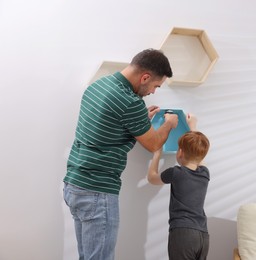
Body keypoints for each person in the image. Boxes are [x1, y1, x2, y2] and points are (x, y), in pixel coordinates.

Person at [63, 48, 179, 260]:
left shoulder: (99, 85)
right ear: (145, 77)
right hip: (97, 191)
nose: (153, 92)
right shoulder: (130, 102)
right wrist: (169, 125)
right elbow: (153, 144)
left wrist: (140, 118)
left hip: (74, 185)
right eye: (155, 86)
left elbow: (106, 123)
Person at [147, 114, 211, 260]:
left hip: (183, 234)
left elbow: (152, 178)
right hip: (202, 235)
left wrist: (157, 154)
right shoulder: (204, 174)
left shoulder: (176, 173)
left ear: (180, 152)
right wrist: (192, 126)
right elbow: (199, 157)